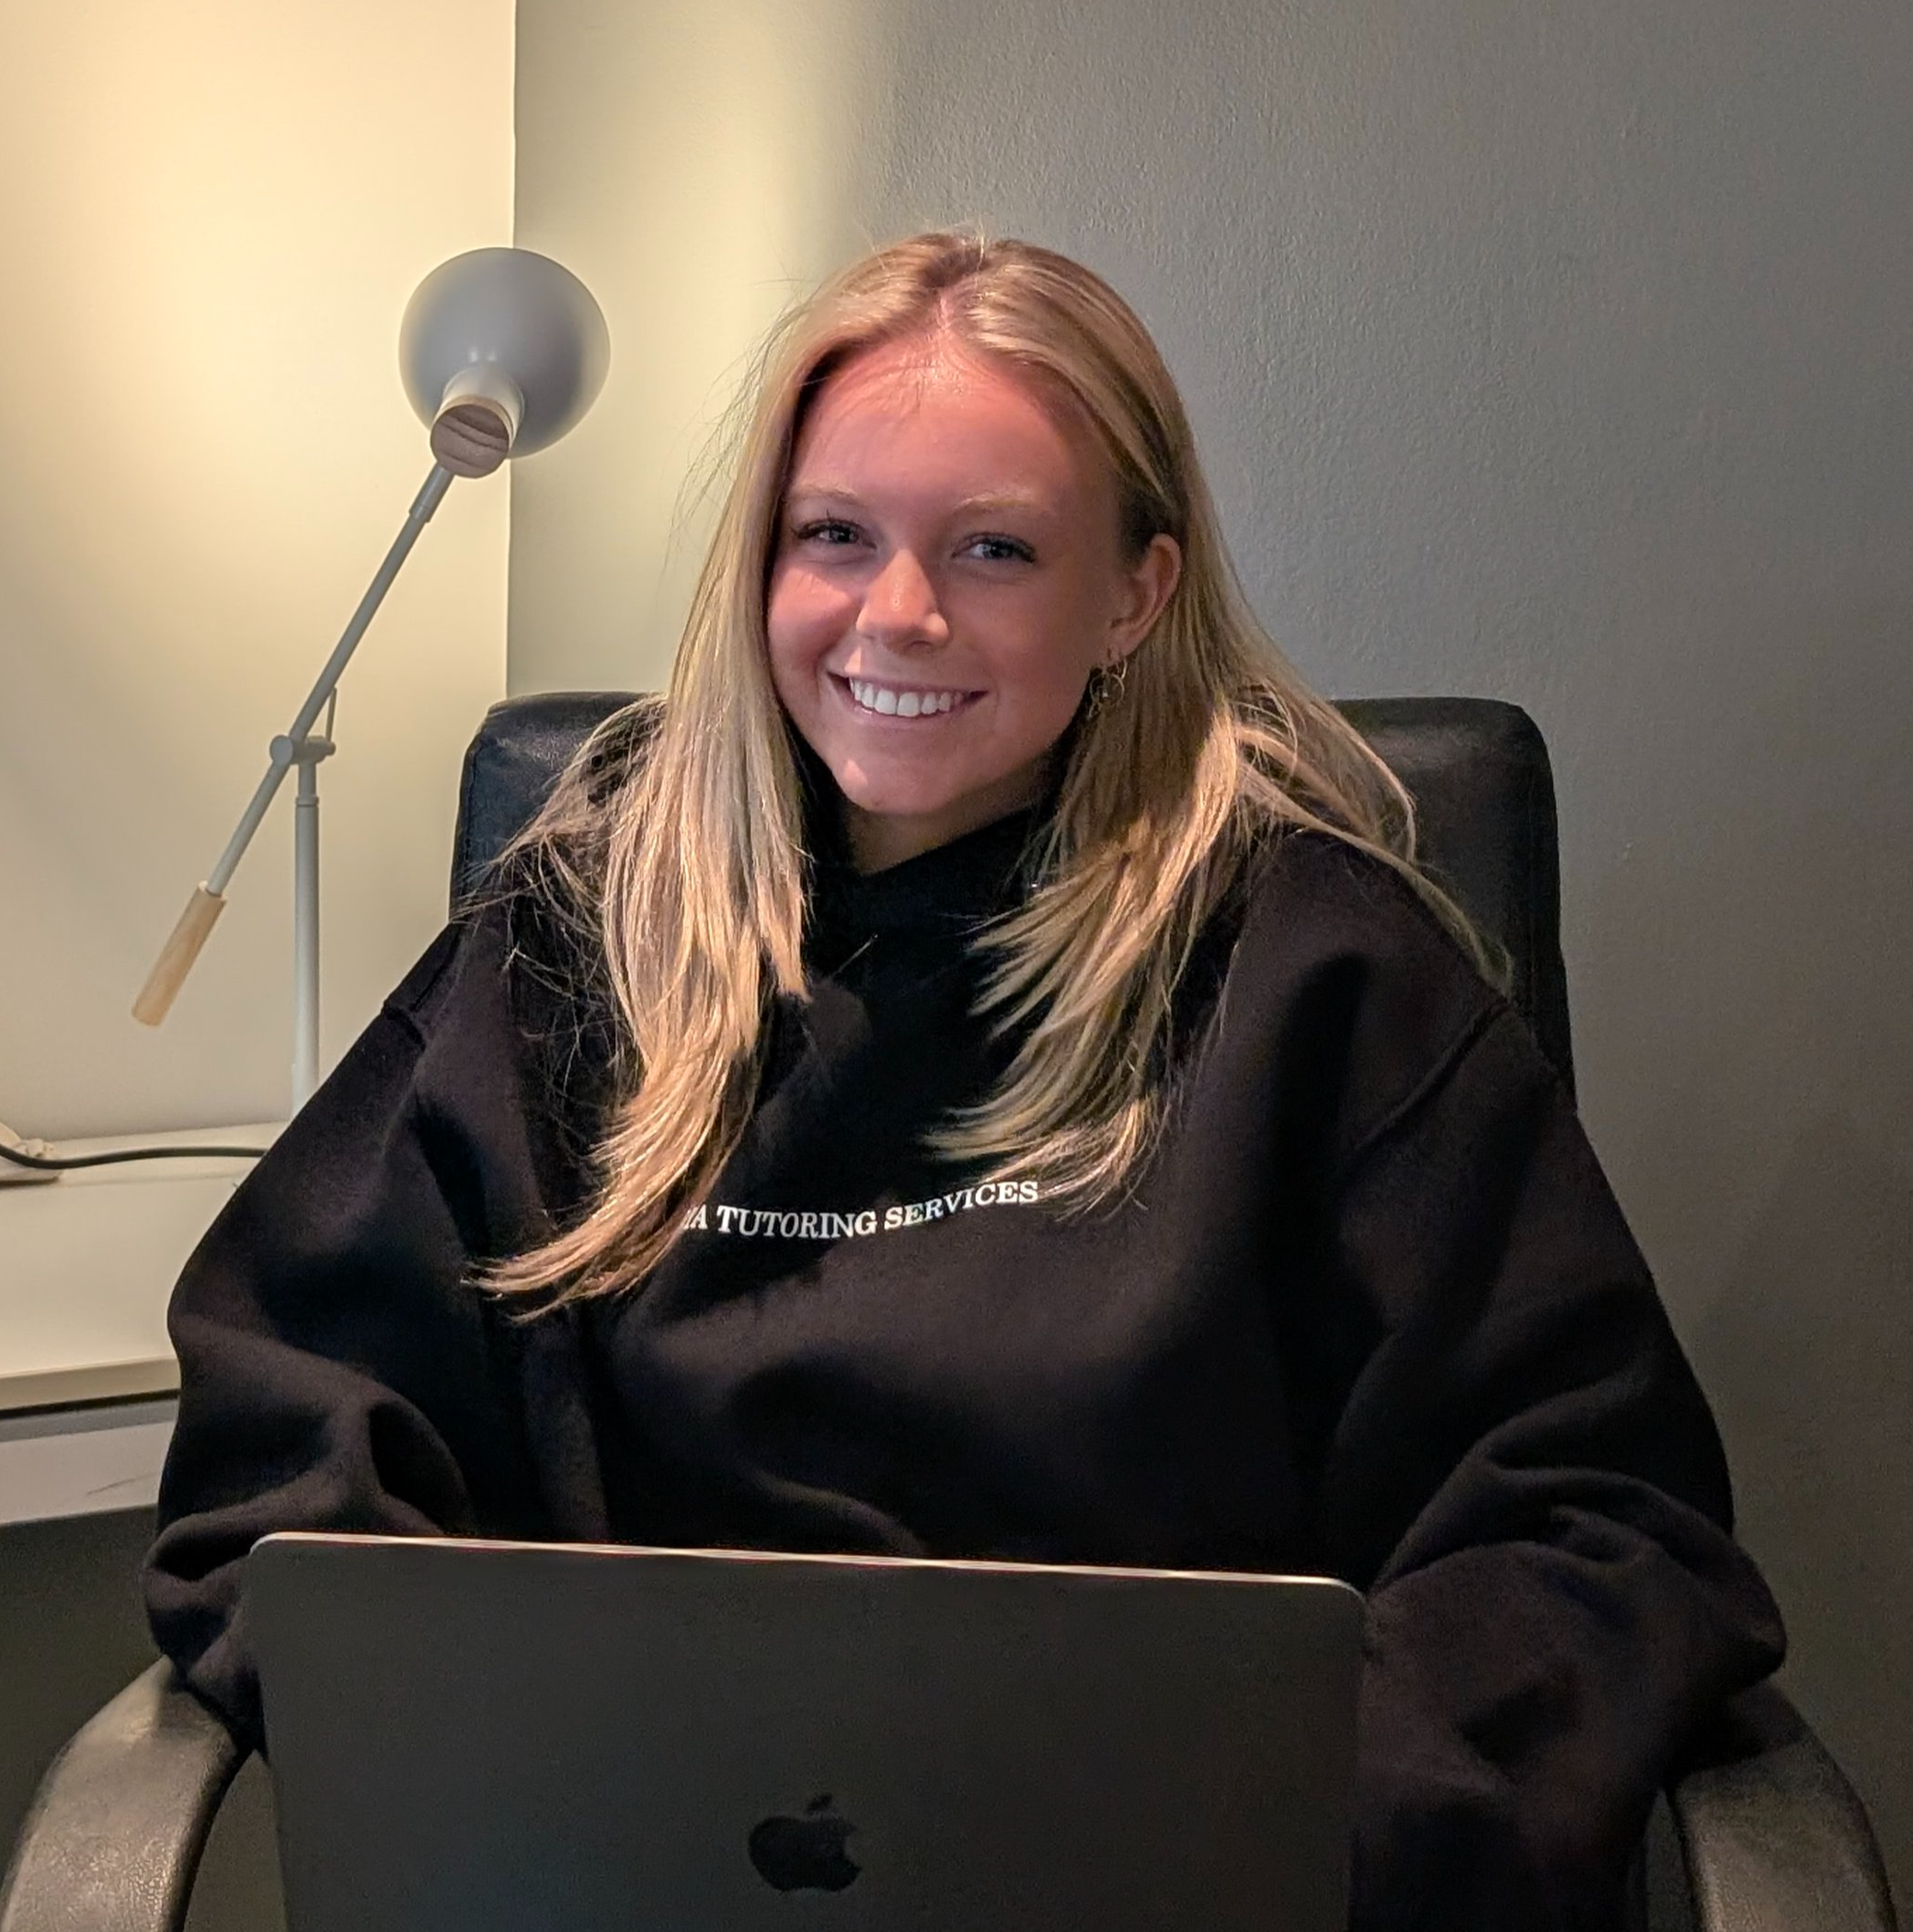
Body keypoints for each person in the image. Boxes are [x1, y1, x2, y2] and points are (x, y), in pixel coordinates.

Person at [145, 229, 1783, 1930]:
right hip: (634, 1879)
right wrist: (499, 1768)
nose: (898, 613)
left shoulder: (1314, 972)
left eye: (995, 547)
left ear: (1136, 592)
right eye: (834, 535)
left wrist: (1286, 1821)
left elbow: (1599, 1521)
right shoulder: (586, 938)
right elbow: (287, 1445)